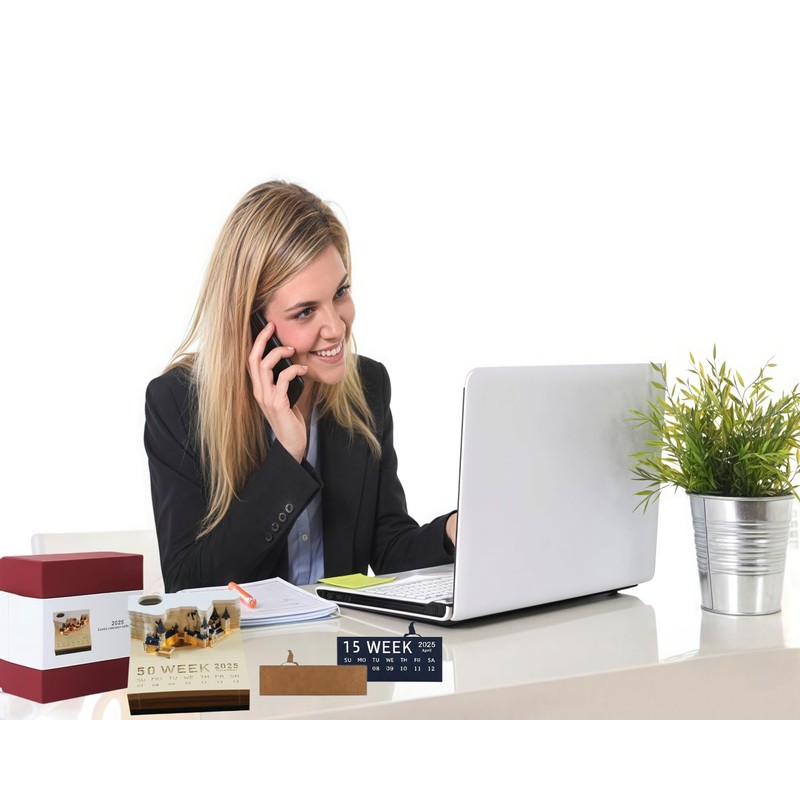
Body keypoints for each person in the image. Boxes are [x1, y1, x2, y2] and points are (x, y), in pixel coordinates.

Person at [145, 181, 457, 592]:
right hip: (248, 635)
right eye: (306, 311)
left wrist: (454, 530)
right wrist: (286, 458)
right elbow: (190, 583)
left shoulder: (369, 387)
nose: (336, 327)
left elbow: (388, 549)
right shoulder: (179, 403)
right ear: (252, 323)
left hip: (342, 633)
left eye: (340, 292)